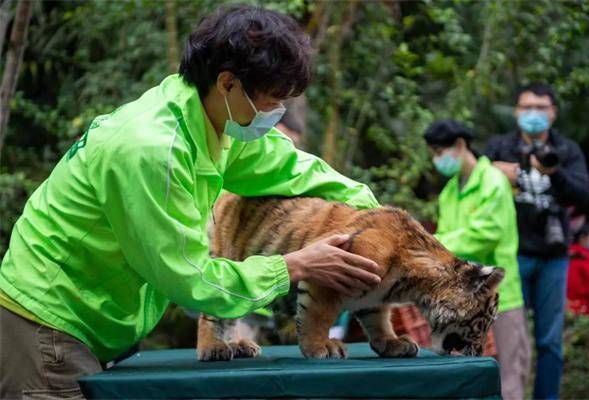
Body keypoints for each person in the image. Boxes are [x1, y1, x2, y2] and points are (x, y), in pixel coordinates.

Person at [0, 6, 383, 398]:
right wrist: (294, 266)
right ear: (228, 83)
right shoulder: (152, 150)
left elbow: (290, 167)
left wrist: (374, 215)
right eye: (273, 100)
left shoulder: (214, 123)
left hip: (93, 322)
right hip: (47, 323)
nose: (277, 112)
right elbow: (190, 277)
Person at [484, 83, 589, 400]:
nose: (533, 114)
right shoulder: (500, 147)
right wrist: (493, 170)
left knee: (549, 341)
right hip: (510, 258)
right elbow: (474, 183)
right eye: (526, 107)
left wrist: (553, 172)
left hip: (552, 257)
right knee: (507, 338)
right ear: (516, 111)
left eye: (541, 108)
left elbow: (582, 195)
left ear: (553, 113)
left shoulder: (567, 150)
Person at [424, 120, 529, 400]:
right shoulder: (449, 192)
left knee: (508, 377)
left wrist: (437, 246)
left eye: (439, 151)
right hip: (464, 302)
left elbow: (485, 234)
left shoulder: (493, 182)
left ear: (460, 145)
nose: (437, 160)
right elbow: (449, 241)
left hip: (500, 297)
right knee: (468, 378)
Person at [567, 222, 589, 322]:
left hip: (564, 307)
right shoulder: (586, 257)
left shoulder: (567, 253)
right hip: (582, 310)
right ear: (582, 238)